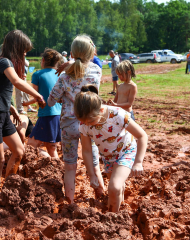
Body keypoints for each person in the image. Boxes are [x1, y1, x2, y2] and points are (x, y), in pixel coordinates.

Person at [0, 29, 46, 193]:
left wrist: (11, 108)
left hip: (3, 114)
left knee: (19, 150)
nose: (24, 54)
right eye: (23, 50)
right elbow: (15, 82)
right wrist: (37, 95)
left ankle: (9, 187)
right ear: (16, 47)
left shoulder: (5, 63)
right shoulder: (3, 62)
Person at [75, 85, 148, 212]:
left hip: (126, 152)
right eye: (84, 122)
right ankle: (120, 209)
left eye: (90, 122)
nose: (87, 125)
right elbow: (86, 150)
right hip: (108, 157)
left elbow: (142, 135)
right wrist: (91, 175)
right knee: (117, 187)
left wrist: (138, 162)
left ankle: (113, 218)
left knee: (114, 187)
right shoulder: (84, 125)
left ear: (101, 110)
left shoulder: (117, 115)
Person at [48, 35, 103, 203]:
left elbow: (50, 101)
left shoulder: (64, 77)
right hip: (89, 124)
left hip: (69, 125)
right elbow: (86, 66)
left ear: (71, 53)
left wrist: (61, 97)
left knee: (70, 166)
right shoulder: (97, 71)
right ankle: (101, 196)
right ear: (91, 52)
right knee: (94, 164)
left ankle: (69, 201)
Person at [26, 48, 62, 158]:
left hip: (47, 114)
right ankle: (57, 170)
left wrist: (26, 103)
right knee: (51, 147)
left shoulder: (37, 75)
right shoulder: (60, 74)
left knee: (30, 146)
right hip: (59, 114)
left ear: (43, 60)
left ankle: (49, 164)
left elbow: (37, 96)